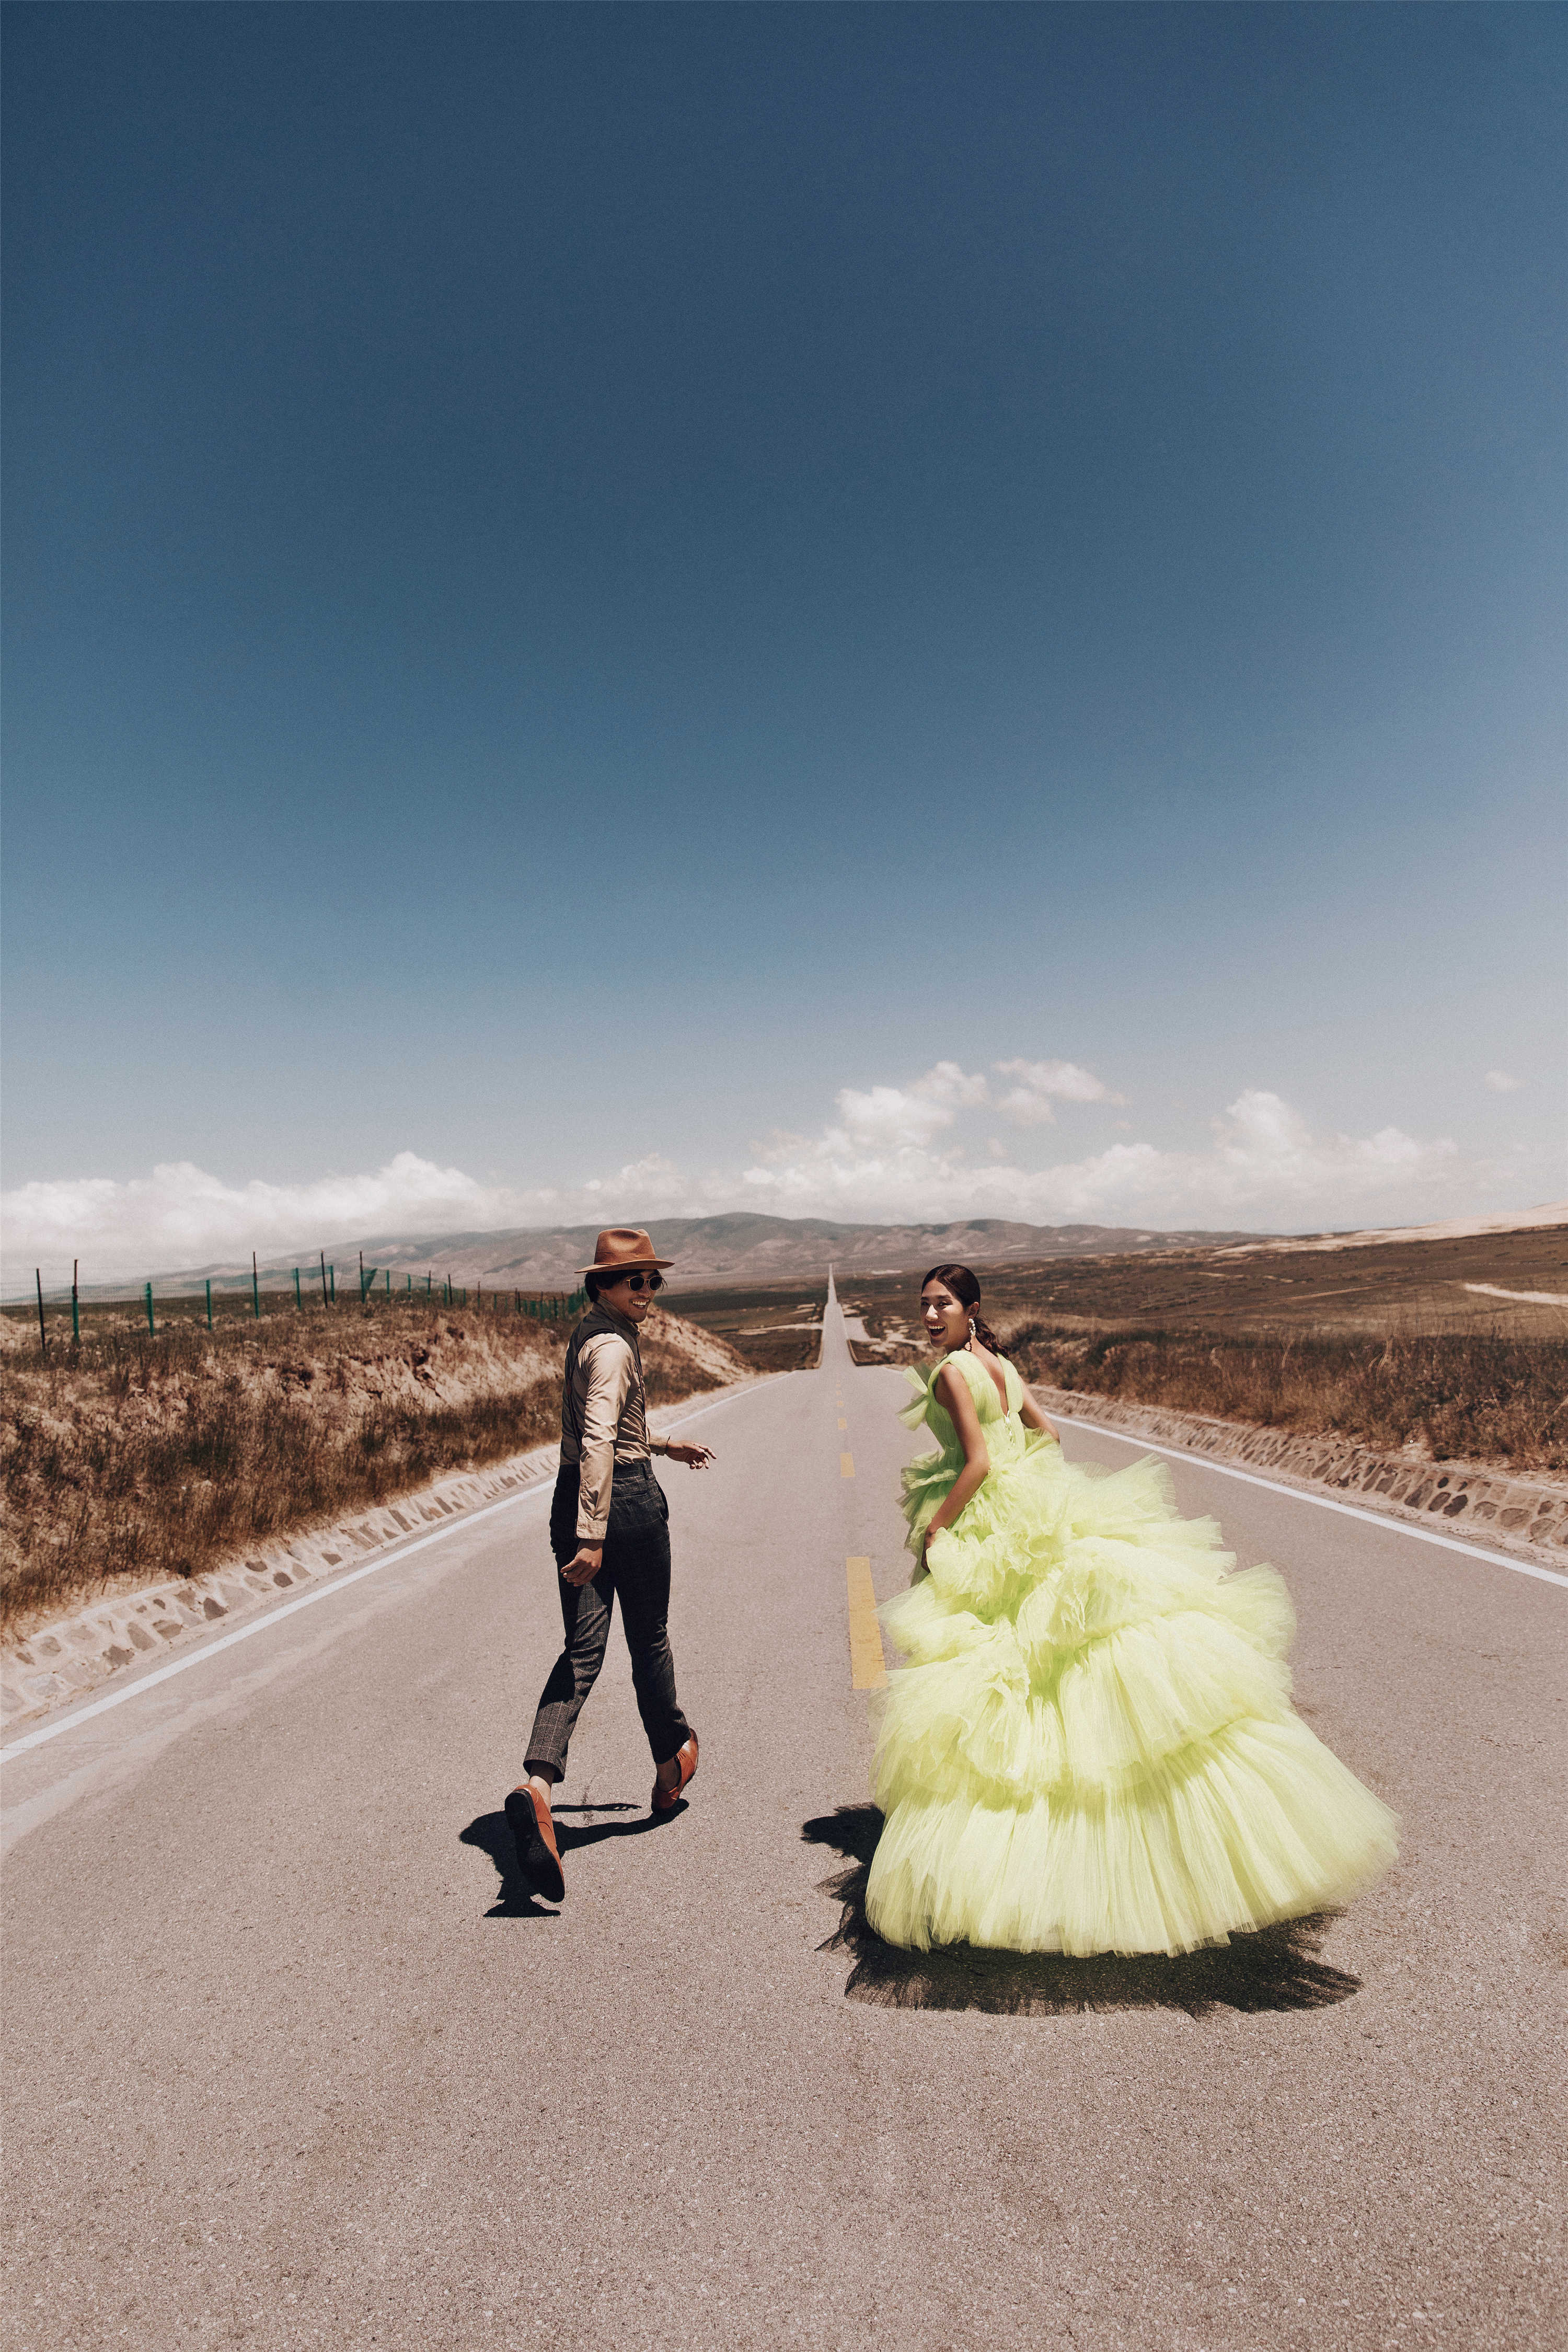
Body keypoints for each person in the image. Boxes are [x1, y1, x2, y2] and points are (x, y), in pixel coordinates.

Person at [864, 1262, 1398, 1955]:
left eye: (943, 1304)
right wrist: (1037, 1495)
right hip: (1035, 1508)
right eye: (925, 1305)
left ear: (970, 1308)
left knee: (1004, 1666)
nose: (931, 1316)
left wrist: (939, 1527)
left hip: (990, 1527)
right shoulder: (1000, 1364)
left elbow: (979, 1464)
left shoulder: (951, 1375)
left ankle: (1025, 1857)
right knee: (1058, 1657)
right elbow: (1050, 1436)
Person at [506, 1228, 713, 1903]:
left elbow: (607, 1426)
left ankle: (538, 1787)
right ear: (603, 1285)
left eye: (654, 1280)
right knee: (648, 1639)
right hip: (619, 1504)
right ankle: (670, 1761)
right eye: (635, 1281)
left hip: (575, 1494)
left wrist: (664, 1442)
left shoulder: (590, 1334)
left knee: (581, 1650)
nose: (648, 1290)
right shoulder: (615, 1348)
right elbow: (600, 1437)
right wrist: (594, 1536)